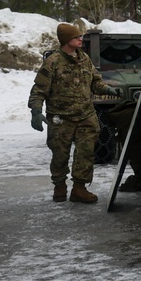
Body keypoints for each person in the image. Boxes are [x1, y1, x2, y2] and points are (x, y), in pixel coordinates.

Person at [29, 23, 119, 203]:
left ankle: (79, 188)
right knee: (60, 155)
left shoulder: (84, 58)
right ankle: (59, 187)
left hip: (86, 115)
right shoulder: (53, 62)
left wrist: (108, 89)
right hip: (61, 119)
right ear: (66, 41)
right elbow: (39, 90)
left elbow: (95, 82)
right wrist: (36, 111)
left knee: (85, 153)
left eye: (80, 36)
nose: (81, 39)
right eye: (76, 37)